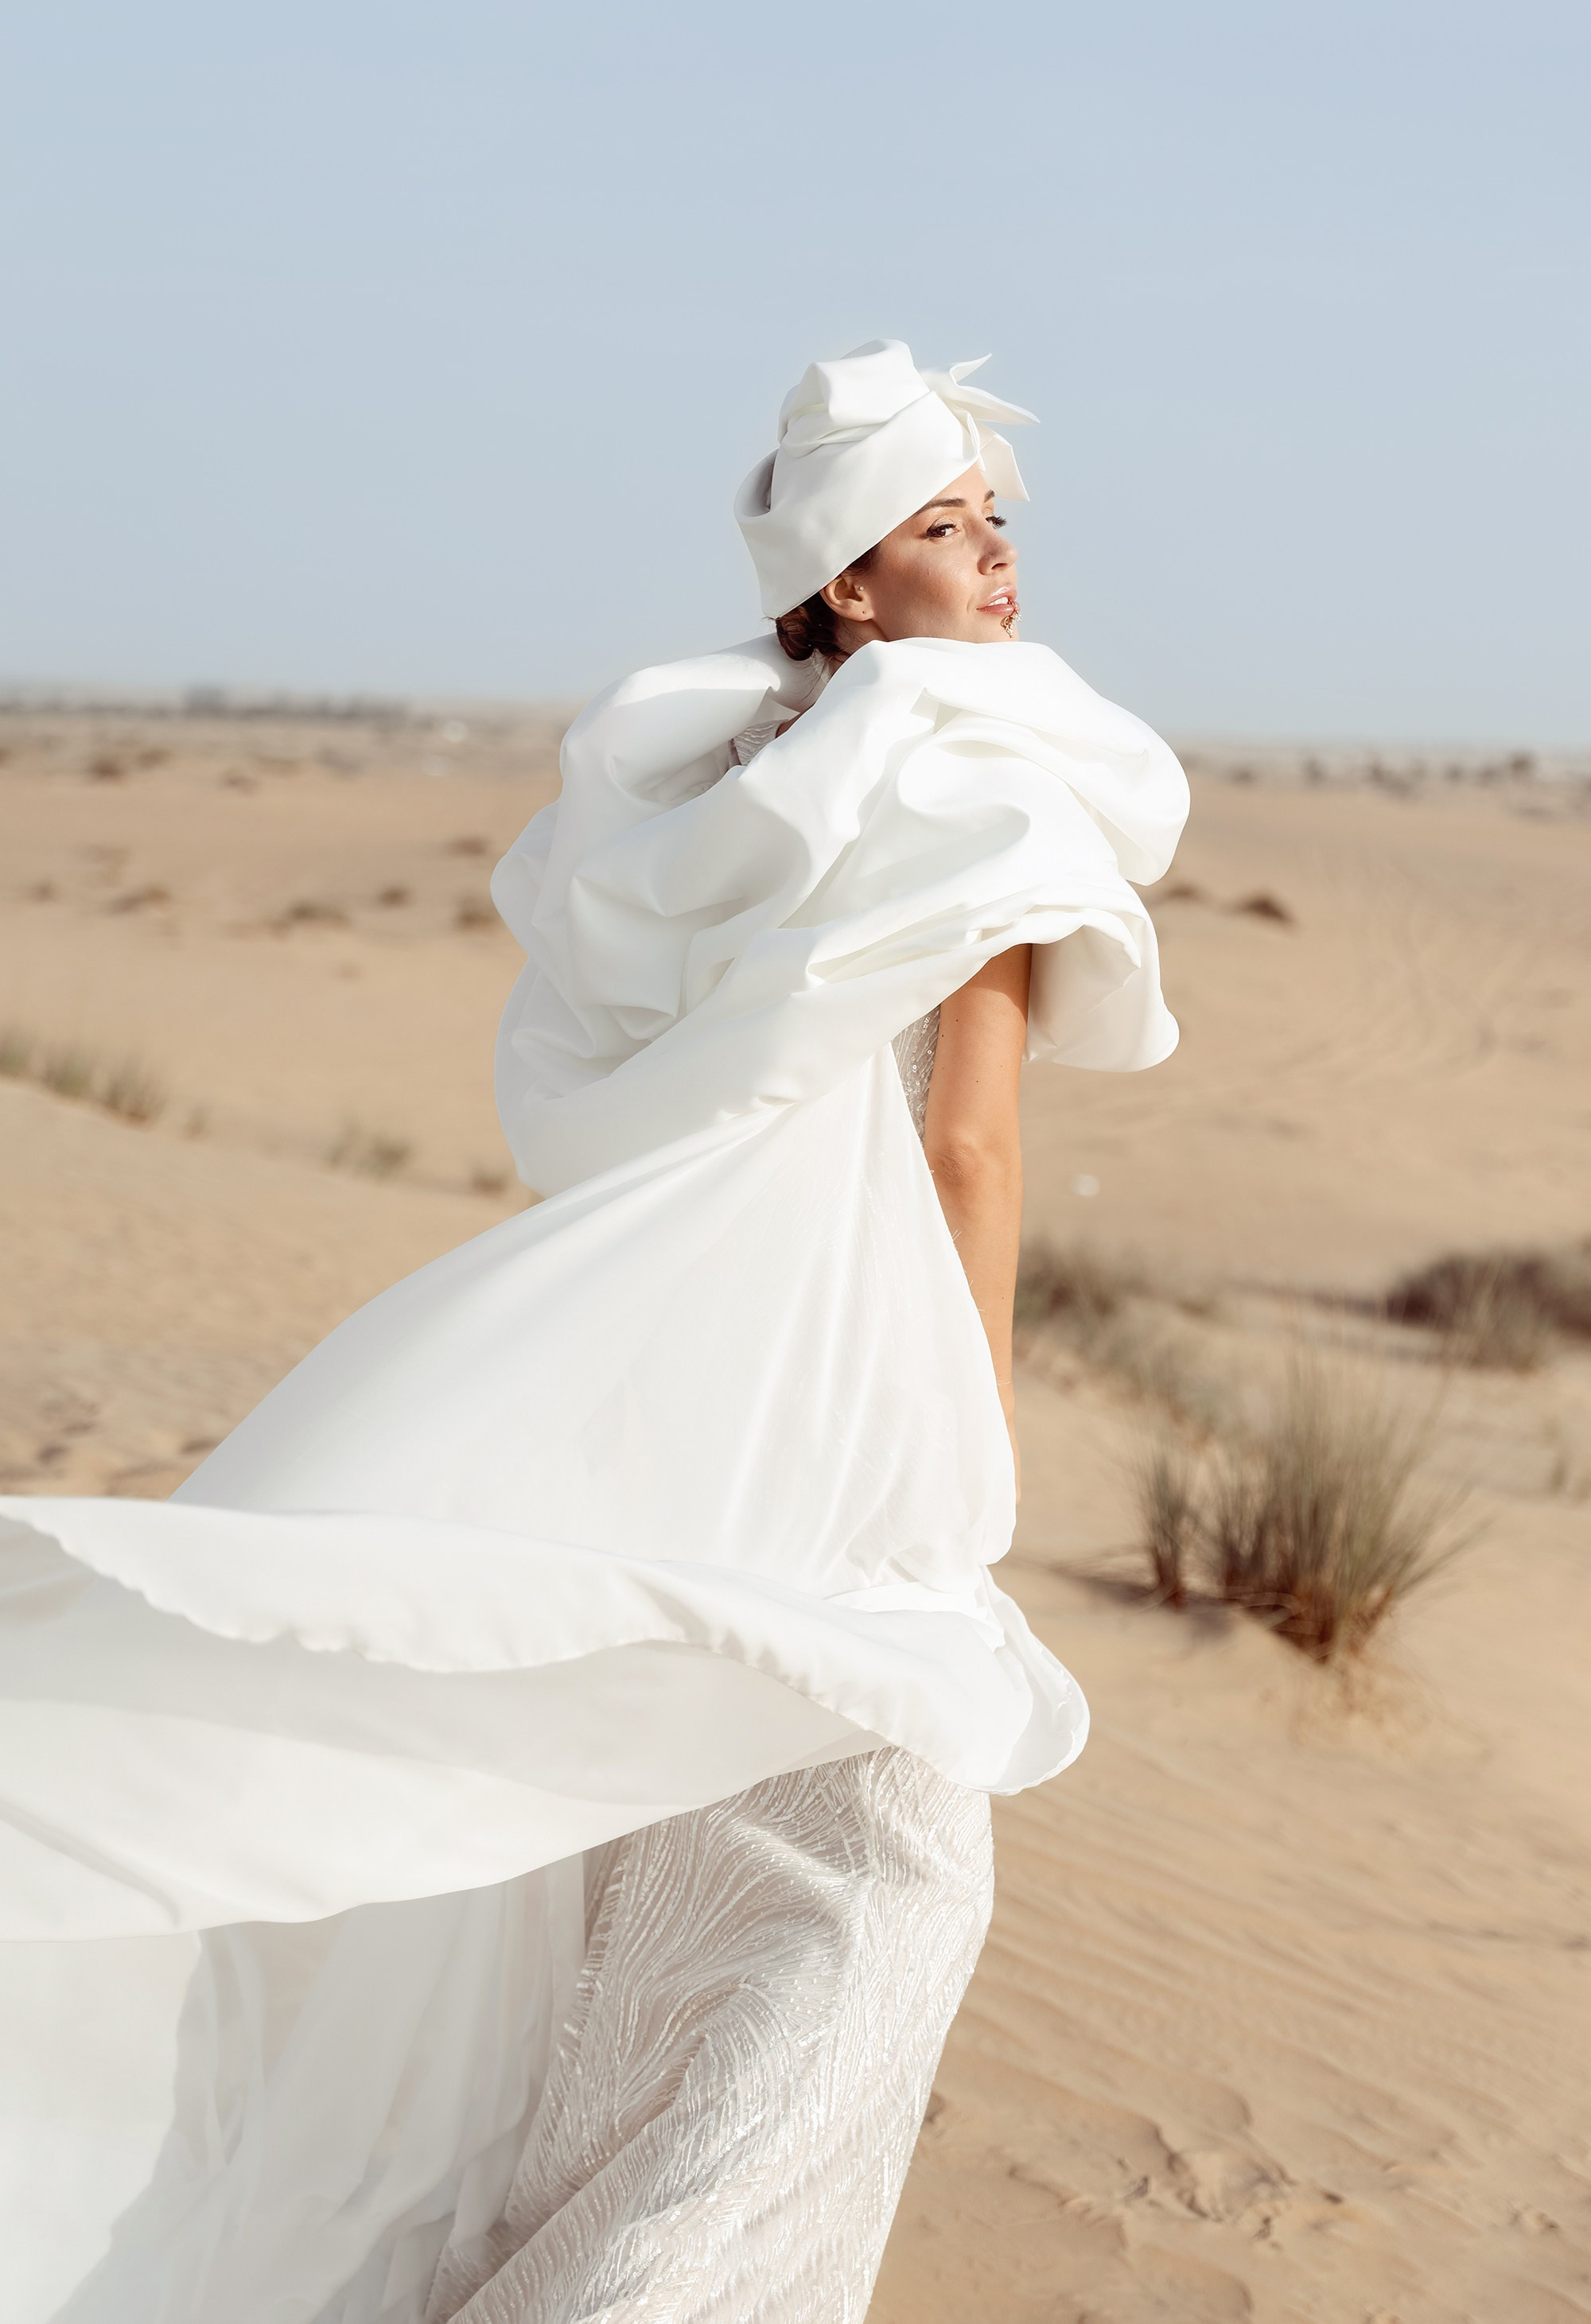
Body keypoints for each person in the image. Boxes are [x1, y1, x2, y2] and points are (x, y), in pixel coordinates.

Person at [0, 340, 1188, 2322]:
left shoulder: (738, 796)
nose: (994, 561)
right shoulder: (978, 780)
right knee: (886, 1897)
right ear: (834, 588)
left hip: (682, 1396)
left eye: (997, 523)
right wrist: (968, 1454)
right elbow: (970, 1148)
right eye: (937, 527)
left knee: (670, 1879)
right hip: (852, 1423)